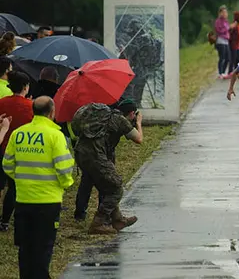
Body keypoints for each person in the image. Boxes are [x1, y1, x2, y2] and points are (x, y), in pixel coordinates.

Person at [2, 96, 74, 279]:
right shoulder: (55, 136)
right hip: (48, 201)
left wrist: (21, 180)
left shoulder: (18, 133)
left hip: (23, 199)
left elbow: (7, 164)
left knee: (25, 249)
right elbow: (64, 167)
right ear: (52, 113)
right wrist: (66, 184)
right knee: (43, 249)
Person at [71, 99, 143, 233]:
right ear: (132, 113)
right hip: (95, 156)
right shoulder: (120, 120)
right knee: (116, 187)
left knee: (106, 185)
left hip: (81, 153)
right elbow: (139, 139)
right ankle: (98, 222)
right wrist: (138, 123)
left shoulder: (104, 117)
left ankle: (117, 219)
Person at [0, 71, 33, 231]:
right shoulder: (30, 107)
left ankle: (3, 221)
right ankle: (7, 220)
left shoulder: (2, 102)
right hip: (19, 151)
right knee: (14, 188)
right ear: (25, 87)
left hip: (1, 147)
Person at [214, 5, 231, 78]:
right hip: (221, 40)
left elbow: (228, 29)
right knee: (222, 57)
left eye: (226, 12)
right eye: (223, 12)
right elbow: (219, 31)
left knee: (227, 58)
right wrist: (226, 29)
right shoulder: (218, 21)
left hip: (226, 41)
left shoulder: (226, 21)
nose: (225, 14)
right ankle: (220, 73)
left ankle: (223, 72)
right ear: (220, 13)